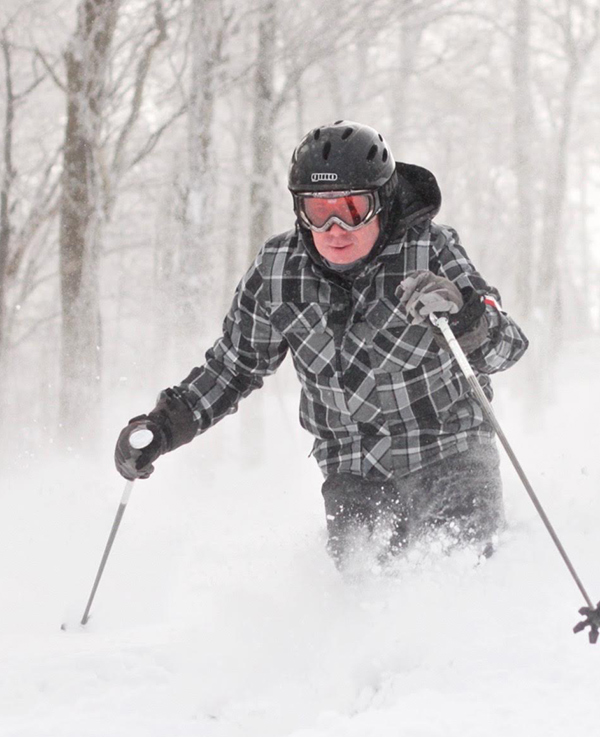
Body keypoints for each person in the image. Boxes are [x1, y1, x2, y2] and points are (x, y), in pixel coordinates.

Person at [115, 121, 528, 569]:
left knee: (460, 574)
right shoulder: (278, 271)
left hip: (450, 452)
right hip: (352, 470)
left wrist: (466, 315)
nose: (334, 228)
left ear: (382, 201)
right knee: (366, 599)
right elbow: (234, 366)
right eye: (317, 211)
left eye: (352, 209)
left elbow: (508, 346)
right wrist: (165, 425)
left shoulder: (431, 249)